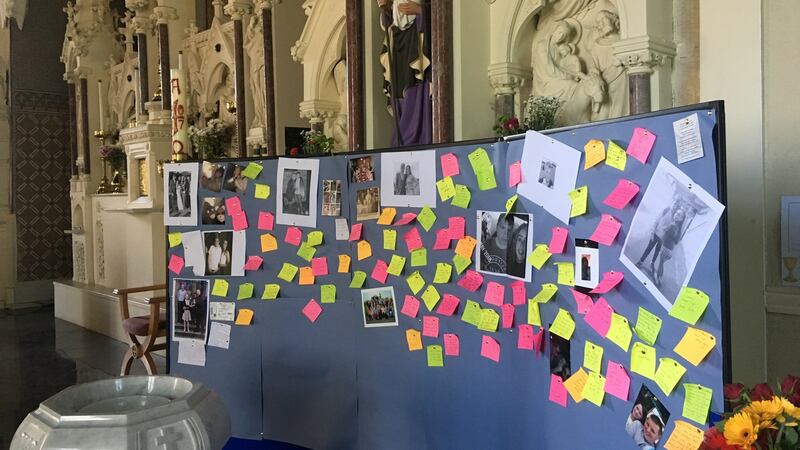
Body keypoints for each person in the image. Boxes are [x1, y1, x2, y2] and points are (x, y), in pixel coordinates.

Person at [377, 0, 432, 146]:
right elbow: (389, 21)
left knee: (414, 84)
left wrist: (421, 11)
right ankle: (402, 139)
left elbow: (439, 11)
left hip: (416, 38)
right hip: (397, 42)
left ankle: (414, 137)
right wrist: (387, 7)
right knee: (399, 89)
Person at [636, 205, 687, 287]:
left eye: (678, 214)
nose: (675, 212)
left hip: (663, 243)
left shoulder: (674, 223)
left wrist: (666, 240)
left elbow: (668, 232)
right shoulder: (667, 211)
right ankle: (642, 262)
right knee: (652, 252)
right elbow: (657, 221)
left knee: (659, 258)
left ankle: (656, 274)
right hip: (660, 239)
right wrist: (653, 232)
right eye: (676, 212)